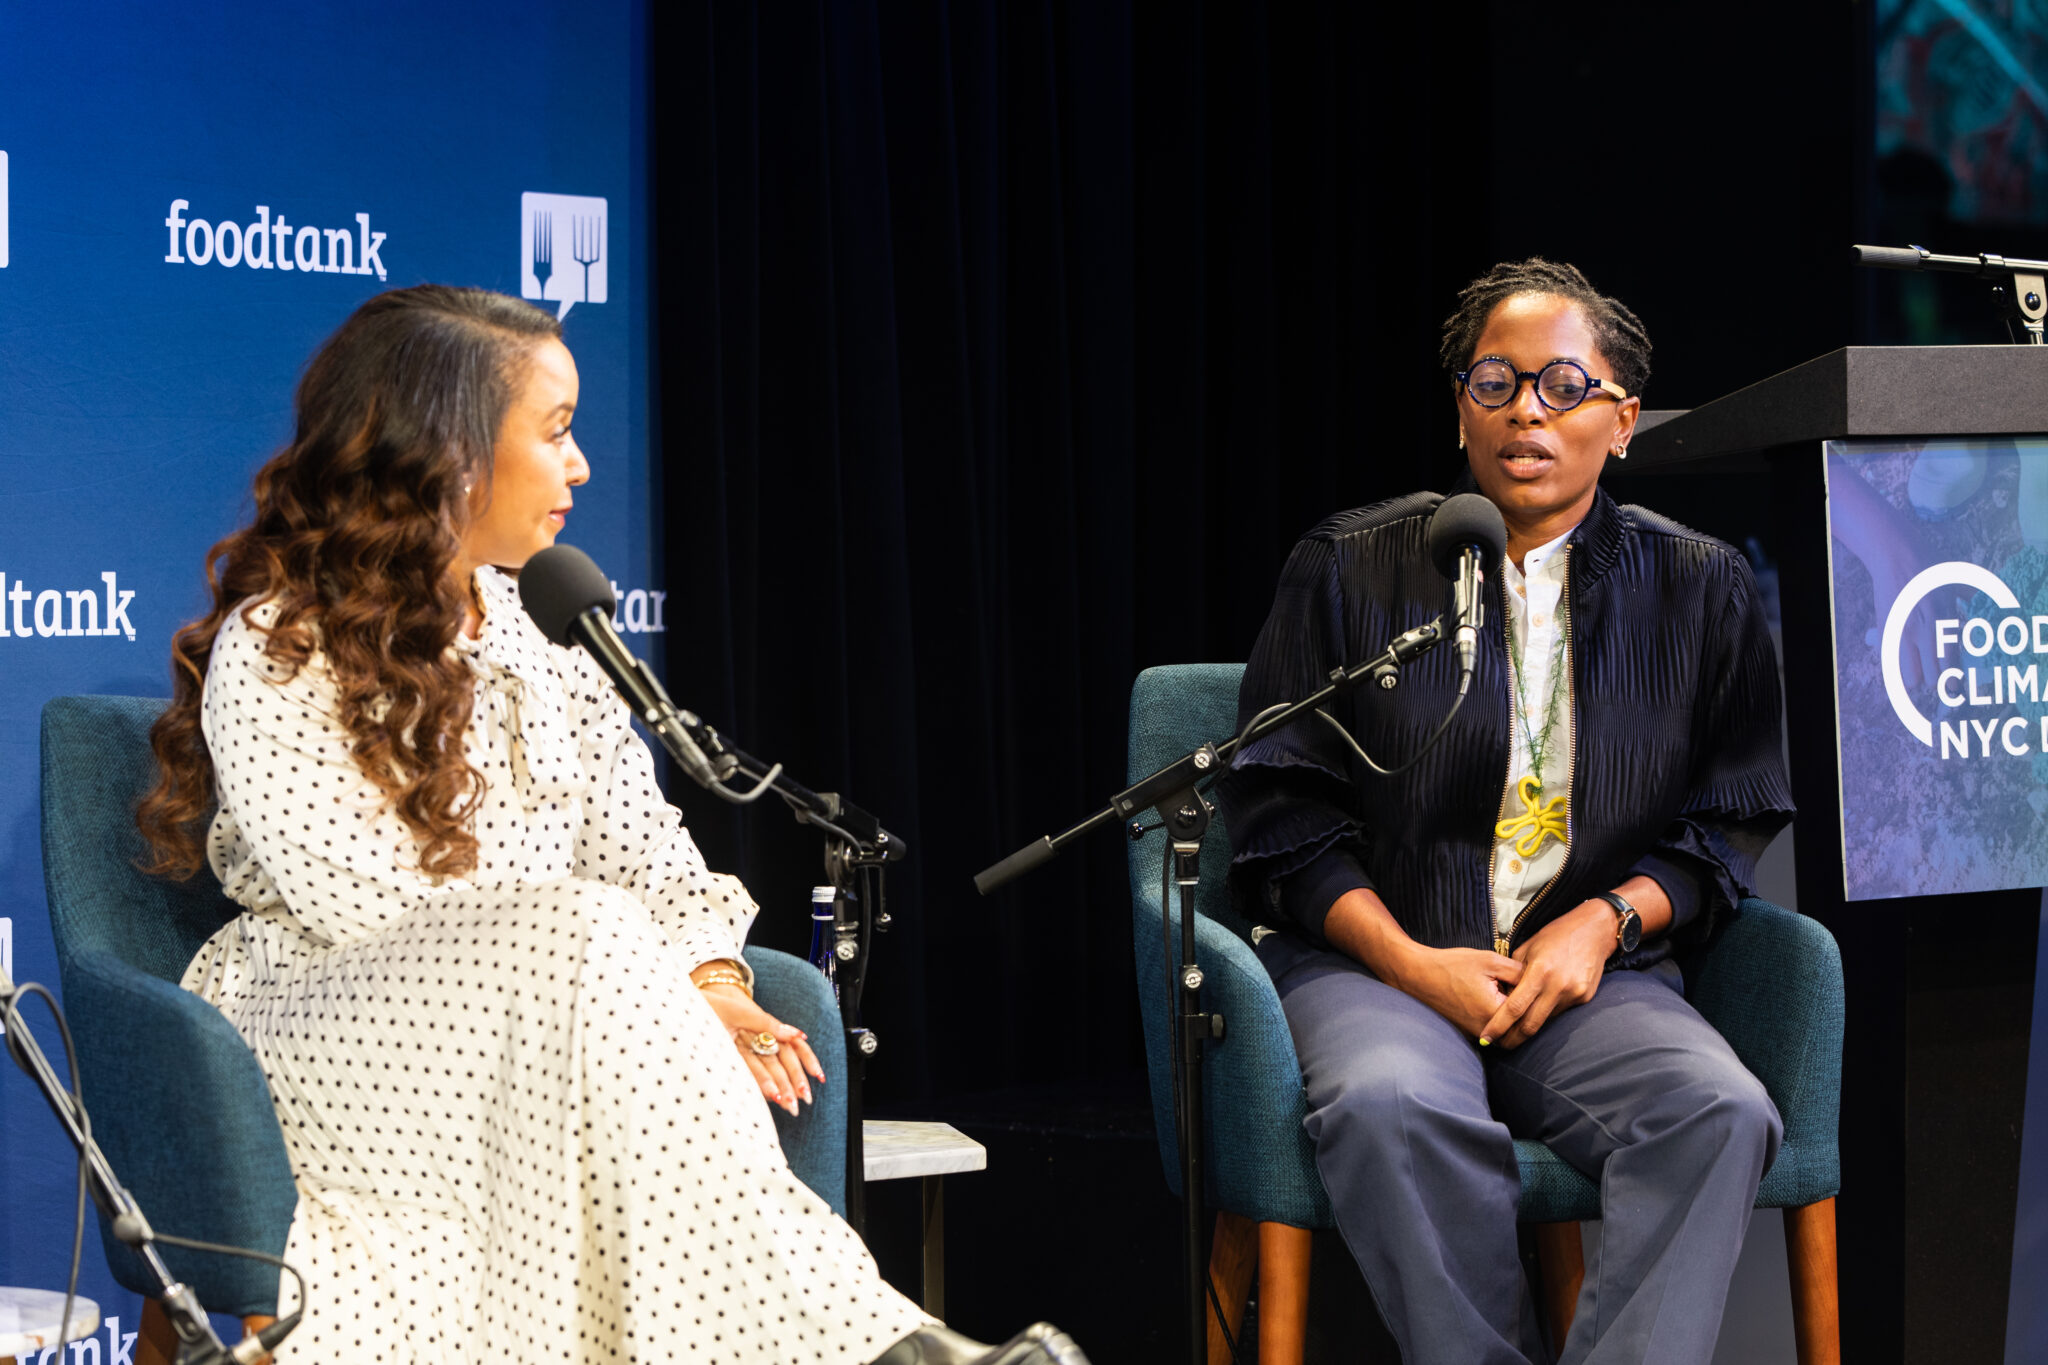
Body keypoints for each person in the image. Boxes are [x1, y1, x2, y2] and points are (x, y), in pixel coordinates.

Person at [137, 285, 1085, 1365]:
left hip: (555, 1019)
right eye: (555, 432)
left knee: (592, 940)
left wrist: (709, 985)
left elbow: (645, 849)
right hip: (326, 1028)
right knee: (580, 931)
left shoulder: (548, 640)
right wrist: (602, 971)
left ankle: (880, 1346)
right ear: (448, 454)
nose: (582, 464)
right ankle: (878, 1347)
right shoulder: (281, 641)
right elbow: (359, 903)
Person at [1214, 259, 1795, 1364]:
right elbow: (1278, 809)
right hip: (1374, 964)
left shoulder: (1698, 586)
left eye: (1561, 386)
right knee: (1391, 1106)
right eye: (1494, 382)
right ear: (1459, 411)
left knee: (1715, 1111)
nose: (1526, 409)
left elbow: (1731, 817)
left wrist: (1607, 921)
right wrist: (1404, 959)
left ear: (1620, 421)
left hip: (1587, 979)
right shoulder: (1349, 567)